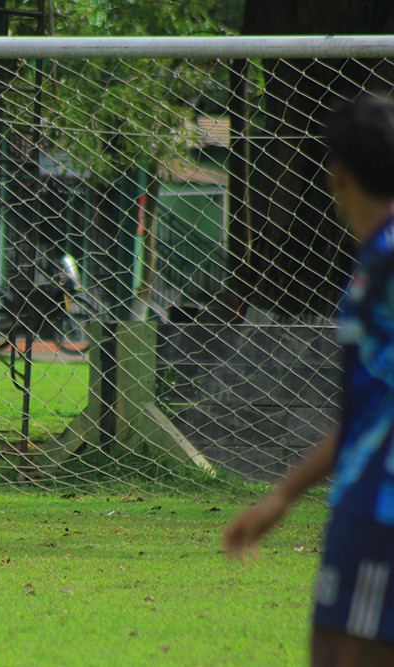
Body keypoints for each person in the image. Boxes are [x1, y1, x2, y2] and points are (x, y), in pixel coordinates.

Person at [223, 95, 394, 665]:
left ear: (338, 172)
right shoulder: (372, 261)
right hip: (357, 502)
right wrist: (283, 497)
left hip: (382, 511)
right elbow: (360, 416)